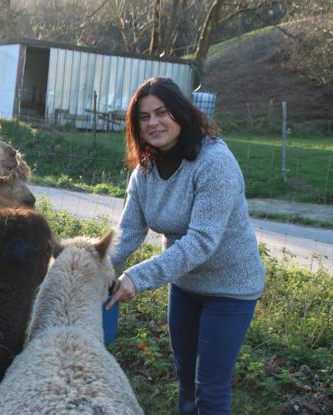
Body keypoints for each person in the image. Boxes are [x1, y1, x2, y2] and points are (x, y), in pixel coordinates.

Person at [105, 77, 265, 415]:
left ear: (180, 112)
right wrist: (93, 264)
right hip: (186, 286)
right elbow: (130, 230)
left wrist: (138, 277)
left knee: (210, 386)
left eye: (161, 112)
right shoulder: (146, 171)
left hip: (231, 289)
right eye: (144, 117)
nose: (153, 123)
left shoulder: (214, 162)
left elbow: (202, 241)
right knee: (187, 380)